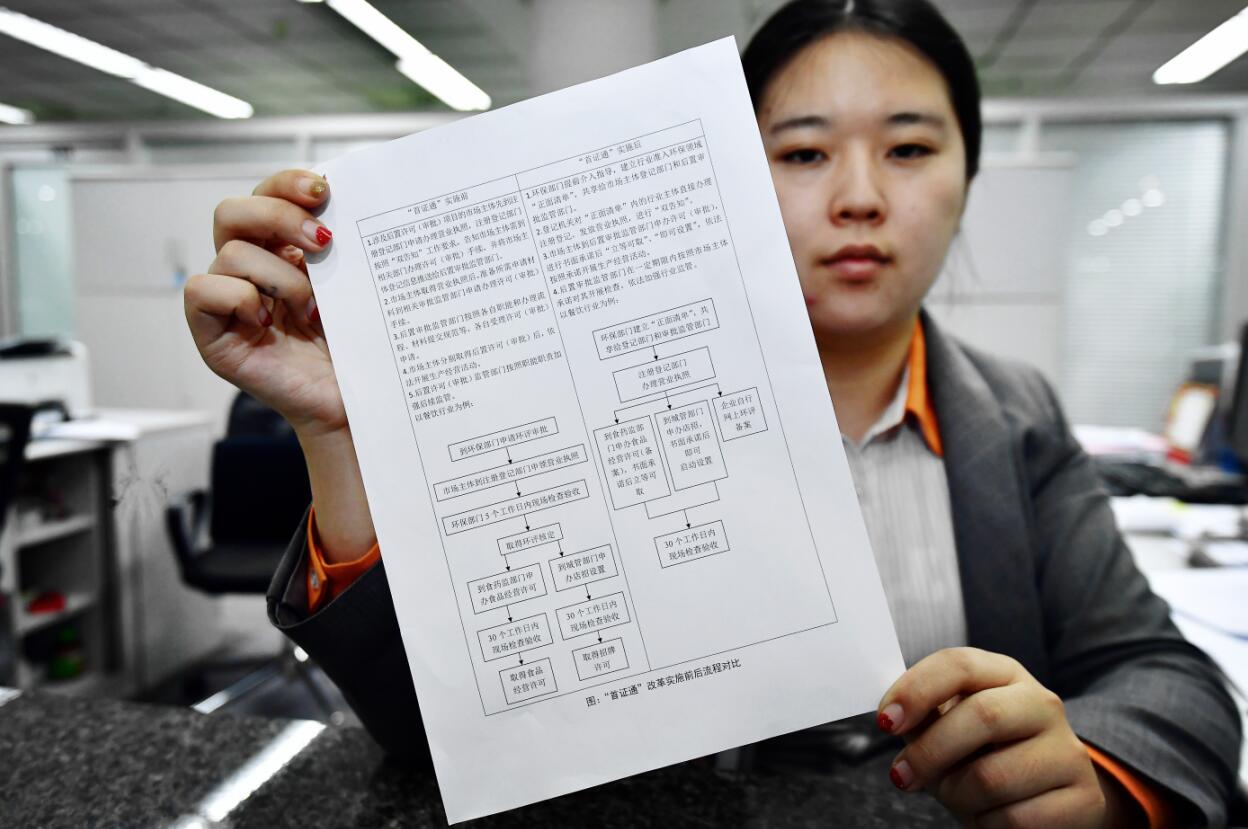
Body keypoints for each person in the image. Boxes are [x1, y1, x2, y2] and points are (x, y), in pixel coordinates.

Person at [184, 0, 1241, 825]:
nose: (860, 196)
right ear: (728, 169)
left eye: (911, 148)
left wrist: (1090, 777)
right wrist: (340, 433)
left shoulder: (1016, 412)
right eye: (803, 151)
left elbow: (1165, 677)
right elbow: (433, 736)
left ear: (969, 174)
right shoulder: (582, 394)